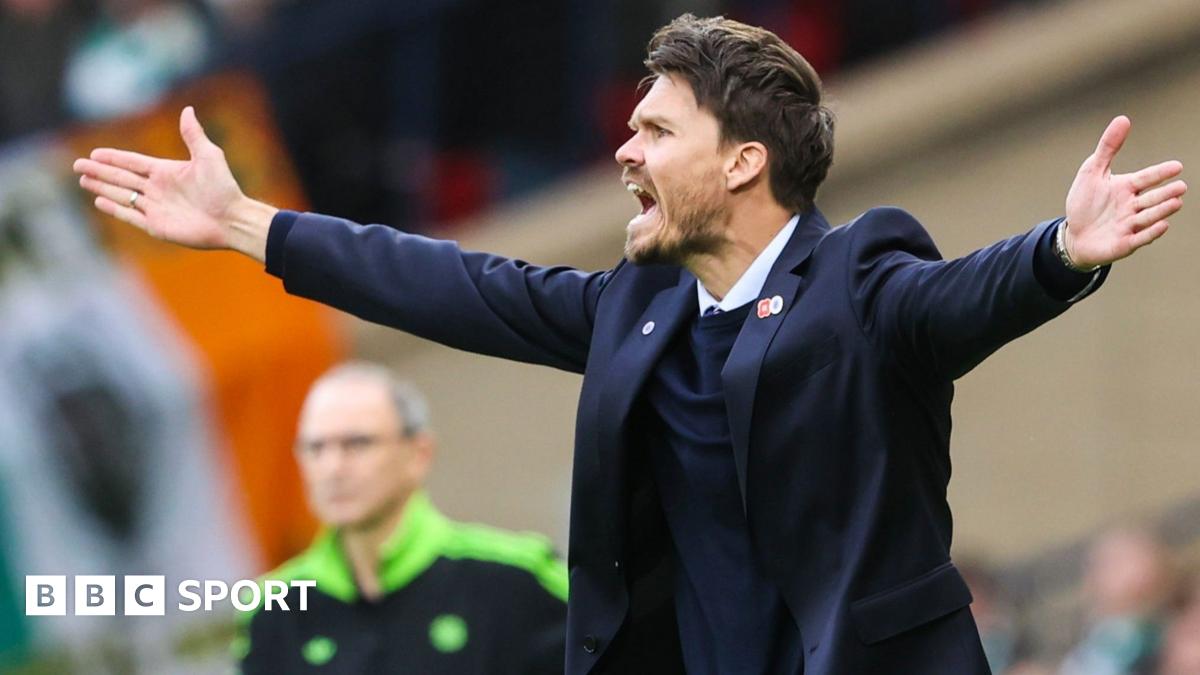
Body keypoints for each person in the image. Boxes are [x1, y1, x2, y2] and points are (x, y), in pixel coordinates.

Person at [72, 14, 1187, 675]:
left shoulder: (860, 283)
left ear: (744, 160)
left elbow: (957, 301)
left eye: (656, 129)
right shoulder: (632, 310)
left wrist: (1060, 252)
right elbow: (453, 285)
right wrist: (244, 225)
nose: (624, 151)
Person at [233, 362, 568, 674]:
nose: (332, 468)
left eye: (357, 443)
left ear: (418, 454)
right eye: (315, 448)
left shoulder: (519, 578)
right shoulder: (270, 610)